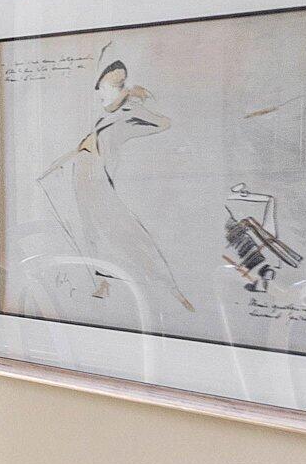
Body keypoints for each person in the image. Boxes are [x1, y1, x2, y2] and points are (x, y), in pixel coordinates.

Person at [40, 57, 193, 316]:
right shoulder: (103, 118)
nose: (103, 92)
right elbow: (82, 147)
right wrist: (52, 167)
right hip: (81, 182)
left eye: (113, 85)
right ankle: (102, 283)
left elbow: (164, 123)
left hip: (99, 184)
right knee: (89, 234)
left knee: (129, 234)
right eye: (105, 86)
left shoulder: (128, 114)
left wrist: (128, 96)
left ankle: (171, 289)